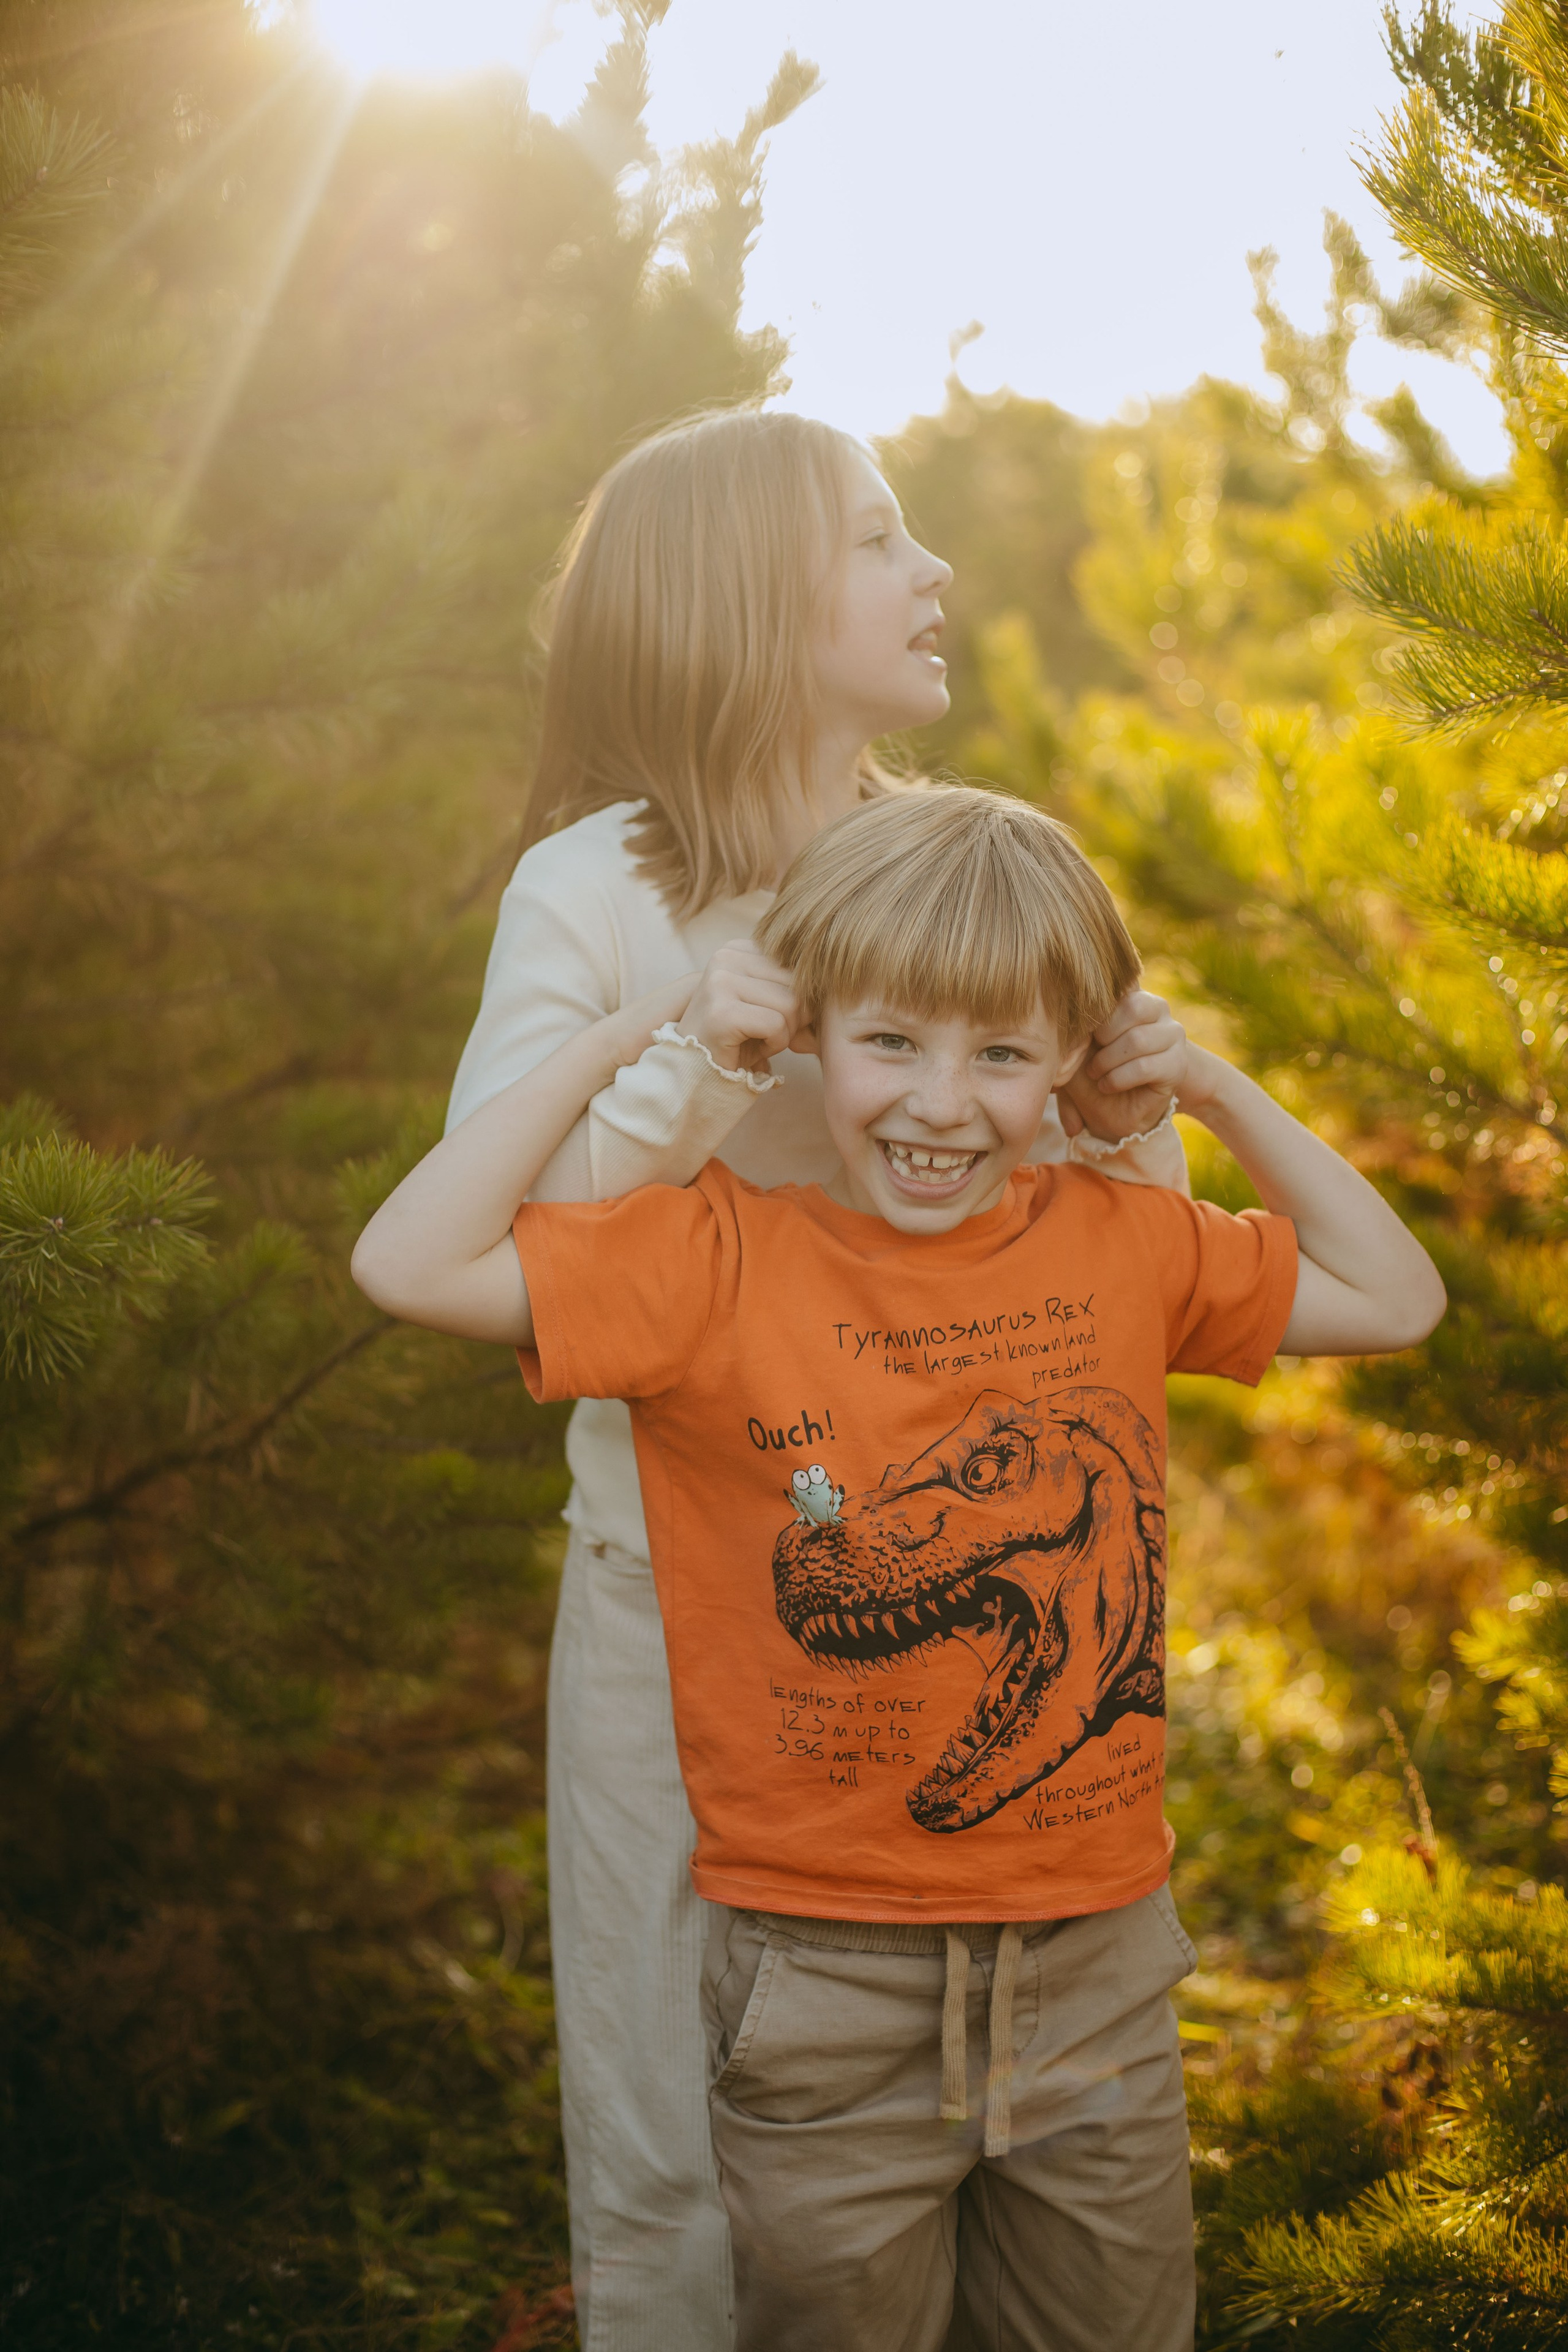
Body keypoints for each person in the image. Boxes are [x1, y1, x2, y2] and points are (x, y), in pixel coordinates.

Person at [353, 786, 1446, 2352]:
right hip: (818, 1983)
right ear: (808, 1033)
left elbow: (1391, 1294)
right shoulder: (713, 1259)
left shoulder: (1119, 1244)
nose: (941, 1105)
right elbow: (406, 1263)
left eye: (1001, 1054)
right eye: (891, 1044)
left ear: (1069, 1057)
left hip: (1092, 1968)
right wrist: (653, 1046)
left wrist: (1197, 1084)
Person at [442, 407, 1195, 2349]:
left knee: (944, 2123)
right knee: (682, 2145)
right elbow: (514, 1234)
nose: (935, 573)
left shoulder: (952, 866)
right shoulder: (596, 889)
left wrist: (1134, 1105)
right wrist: (698, 1042)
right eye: (881, 540)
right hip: (685, 1627)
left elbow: (1113, 1227)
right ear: (747, 603)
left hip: (949, 1610)